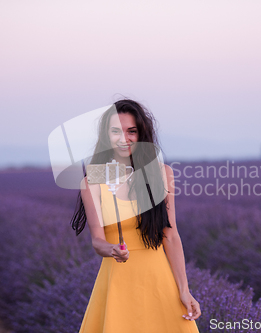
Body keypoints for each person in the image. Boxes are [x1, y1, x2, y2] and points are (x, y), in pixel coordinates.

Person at [71, 99, 201, 332]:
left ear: (141, 134)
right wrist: (112, 250)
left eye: (132, 131)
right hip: (118, 281)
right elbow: (97, 242)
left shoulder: (162, 174)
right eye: (116, 132)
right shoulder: (92, 180)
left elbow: (170, 236)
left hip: (159, 280)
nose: (124, 138)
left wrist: (184, 289)